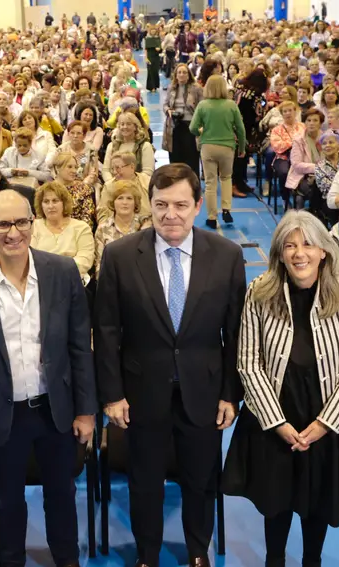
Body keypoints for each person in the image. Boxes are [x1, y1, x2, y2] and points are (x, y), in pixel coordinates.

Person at [94, 163, 245, 567]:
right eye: (161, 205)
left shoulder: (227, 255)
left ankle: (197, 551)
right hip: (141, 392)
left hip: (205, 391)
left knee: (201, 478)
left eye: (180, 205)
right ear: (150, 205)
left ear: (197, 206)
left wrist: (230, 394)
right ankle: (147, 555)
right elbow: (106, 330)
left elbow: (236, 333)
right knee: (145, 481)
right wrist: (112, 394)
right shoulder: (120, 255)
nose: (170, 214)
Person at [0, 190, 96, 567]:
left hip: (56, 410)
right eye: (2, 225)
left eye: (21, 223)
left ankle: (67, 560)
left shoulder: (62, 271)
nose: (13, 233)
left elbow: (80, 347)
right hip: (2, 414)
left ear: (33, 223)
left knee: (62, 496)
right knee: (6, 501)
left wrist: (86, 411)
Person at [223, 210, 339, 567]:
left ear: (324, 250)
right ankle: (274, 560)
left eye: (308, 244)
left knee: (319, 499)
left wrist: (325, 423)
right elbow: (249, 362)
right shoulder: (259, 292)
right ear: (279, 253)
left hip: (329, 414)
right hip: (276, 412)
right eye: (289, 246)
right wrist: (275, 422)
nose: (299, 253)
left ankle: (312, 561)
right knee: (275, 498)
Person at [30, 181, 95, 282]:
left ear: (64, 203)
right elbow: (30, 259)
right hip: (40, 280)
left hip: (72, 280)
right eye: (46, 202)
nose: (50, 206)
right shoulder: (34, 227)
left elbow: (85, 260)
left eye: (55, 201)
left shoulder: (81, 228)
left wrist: (58, 273)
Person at [94, 179, 151, 277]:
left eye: (129, 198)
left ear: (135, 202)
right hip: (112, 280)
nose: (125, 202)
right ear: (113, 202)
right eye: (120, 198)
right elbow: (100, 265)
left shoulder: (145, 227)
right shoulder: (103, 229)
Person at [164, 65, 201, 175]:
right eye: (179, 72)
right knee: (175, 155)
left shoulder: (196, 88)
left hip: (191, 124)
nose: (181, 75)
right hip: (174, 124)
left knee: (191, 155)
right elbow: (165, 104)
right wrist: (168, 110)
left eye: (184, 72)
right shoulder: (171, 87)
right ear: (176, 75)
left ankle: (193, 180)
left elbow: (202, 106)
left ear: (189, 75)